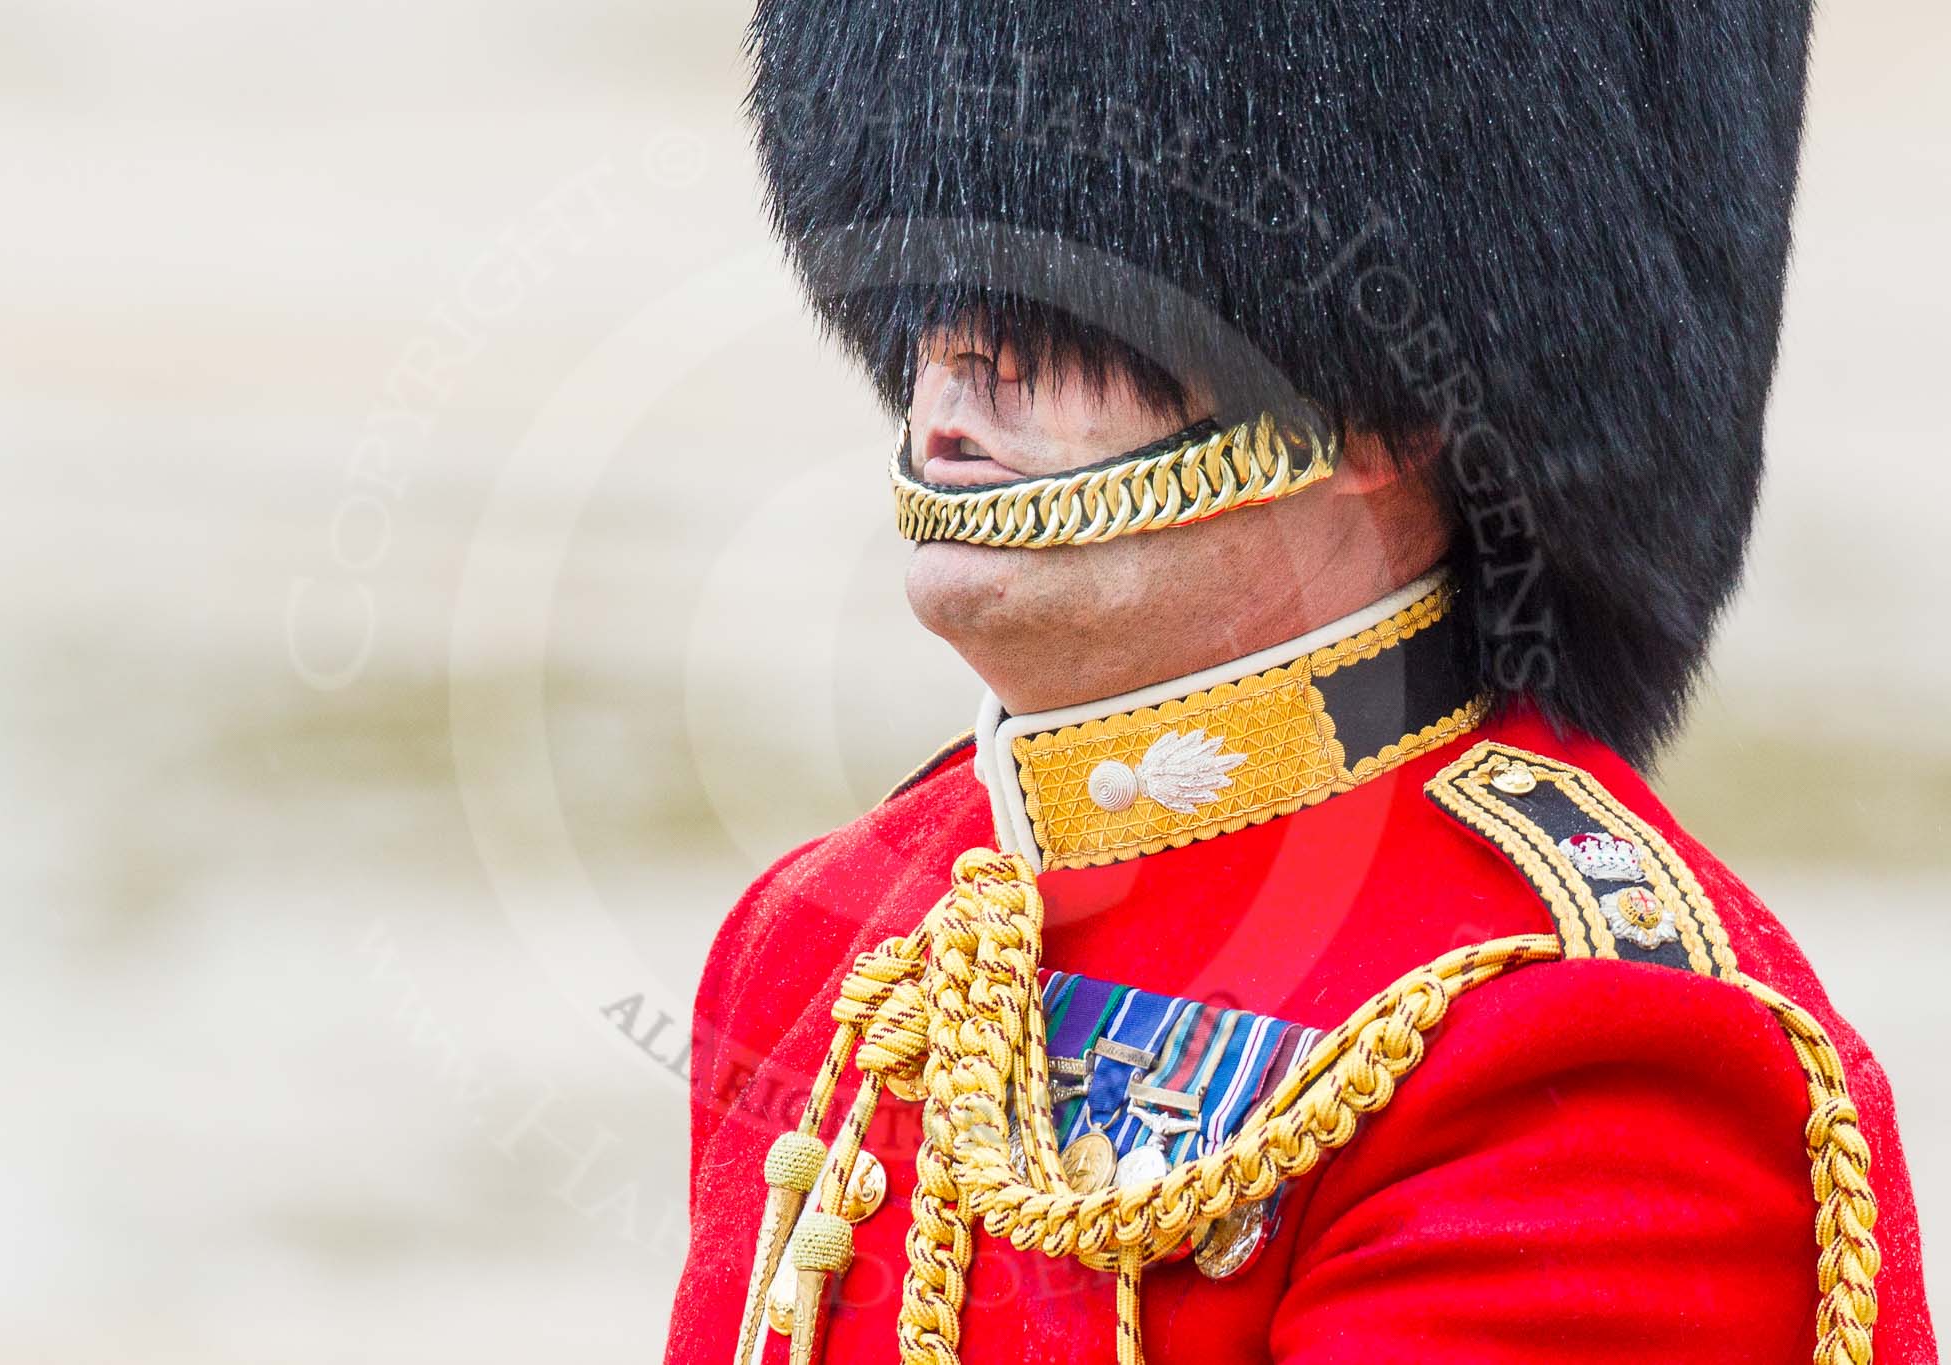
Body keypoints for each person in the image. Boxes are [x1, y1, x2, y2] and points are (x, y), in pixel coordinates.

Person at [664, 2, 1937, 1361]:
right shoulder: (823, 933)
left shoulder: (1586, 1065)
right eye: (940, 278)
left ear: (1375, 410)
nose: (957, 353)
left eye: (1063, 291)